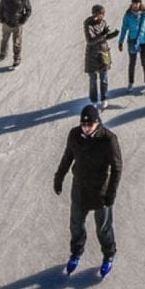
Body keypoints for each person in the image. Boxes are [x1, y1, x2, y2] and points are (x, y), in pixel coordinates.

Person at [55, 104, 123, 279]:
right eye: (83, 125)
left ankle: (109, 254)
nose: (85, 128)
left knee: (103, 227)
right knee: (76, 224)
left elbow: (117, 168)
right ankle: (76, 252)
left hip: (101, 191)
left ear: (97, 123)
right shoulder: (74, 134)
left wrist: (111, 193)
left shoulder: (109, 139)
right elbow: (68, 156)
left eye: (89, 125)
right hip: (80, 188)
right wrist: (59, 176)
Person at [118, 0, 145, 94]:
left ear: (140, 3)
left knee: (144, 62)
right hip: (132, 41)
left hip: (144, 42)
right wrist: (120, 41)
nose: (135, 5)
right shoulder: (127, 16)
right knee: (132, 63)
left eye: (137, 3)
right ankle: (131, 82)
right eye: (133, 3)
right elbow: (124, 29)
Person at [83, 4, 119, 107]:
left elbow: (104, 37)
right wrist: (103, 34)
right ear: (95, 14)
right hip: (92, 55)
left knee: (104, 78)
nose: (102, 16)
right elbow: (90, 40)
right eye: (100, 14)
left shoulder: (103, 22)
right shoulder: (88, 24)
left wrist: (113, 34)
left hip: (103, 52)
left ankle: (104, 97)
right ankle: (93, 100)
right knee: (93, 79)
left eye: (103, 14)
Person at [0, 0, 32, 67]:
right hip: (6, 24)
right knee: (4, 40)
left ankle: (17, 58)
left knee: (17, 42)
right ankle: (2, 55)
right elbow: (0, 8)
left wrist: (22, 21)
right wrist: (1, 18)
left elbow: (28, 10)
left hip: (17, 25)